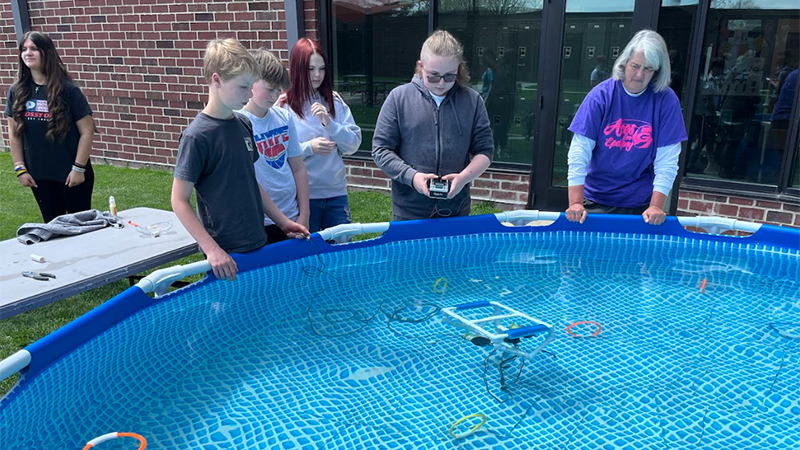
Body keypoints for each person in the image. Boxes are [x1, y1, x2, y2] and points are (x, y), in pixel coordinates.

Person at [172, 38, 308, 282]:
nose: (248, 94)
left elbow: (250, 181)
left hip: (257, 237)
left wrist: (283, 222)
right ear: (217, 80)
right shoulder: (196, 136)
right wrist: (212, 249)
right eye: (243, 86)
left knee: (264, 304)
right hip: (225, 250)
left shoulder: (243, 124)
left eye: (250, 87)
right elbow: (179, 200)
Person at [565, 29, 687, 226]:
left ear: (657, 71)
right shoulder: (601, 96)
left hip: (641, 204)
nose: (639, 75)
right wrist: (576, 203)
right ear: (624, 63)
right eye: (635, 66)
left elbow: (667, 161)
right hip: (595, 198)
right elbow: (579, 152)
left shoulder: (666, 101)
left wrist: (656, 206)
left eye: (648, 69)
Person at [372, 30, 494, 221]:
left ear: (459, 69)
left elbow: (485, 151)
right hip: (409, 210)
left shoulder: (472, 101)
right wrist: (412, 177)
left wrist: (463, 178)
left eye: (450, 76)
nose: (441, 83)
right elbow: (381, 150)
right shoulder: (399, 98)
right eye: (434, 76)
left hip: (456, 209)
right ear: (421, 67)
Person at [6, 31, 95, 223]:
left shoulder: (68, 90)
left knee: (81, 230)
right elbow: (14, 134)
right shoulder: (17, 91)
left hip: (72, 174)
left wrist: (78, 169)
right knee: (52, 229)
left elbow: (87, 131)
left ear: (47, 53)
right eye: (24, 49)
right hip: (39, 177)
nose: (28, 53)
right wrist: (20, 169)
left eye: (34, 49)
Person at [277, 38, 362, 234]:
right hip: (303, 198)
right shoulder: (283, 106)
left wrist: (330, 124)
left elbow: (353, 145)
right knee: (309, 255)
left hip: (336, 193)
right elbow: (277, 155)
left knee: (341, 256)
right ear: (297, 68)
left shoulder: (335, 101)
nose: (317, 75)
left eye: (322, 69)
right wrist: (309, 147)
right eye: (310, 69)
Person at [238, 48, 310, 245]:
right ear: (250, 82)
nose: (275, 95)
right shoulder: (239, 122)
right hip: (260, 221)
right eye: (270, 89)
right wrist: (282, 220)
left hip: (293, 213)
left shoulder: (284, 117)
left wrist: (304, 214)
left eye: (279, 90)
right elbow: (248, 179)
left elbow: (298, 167)